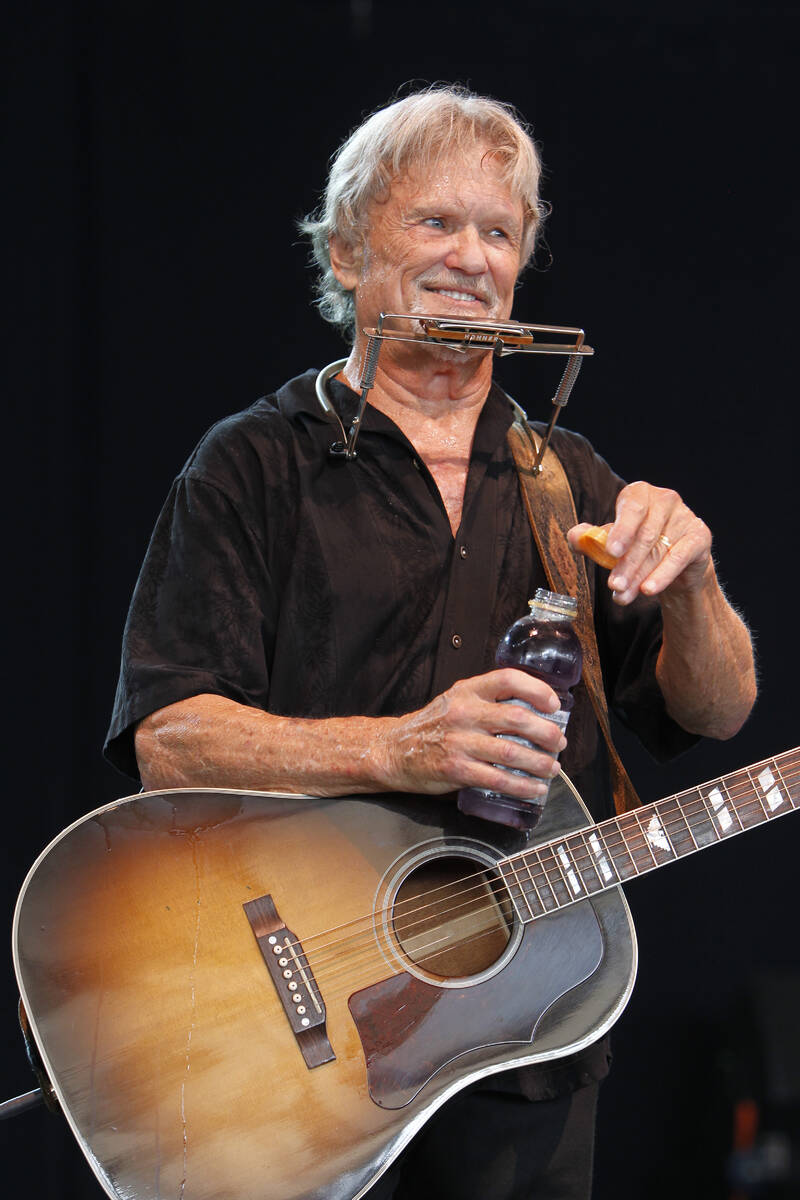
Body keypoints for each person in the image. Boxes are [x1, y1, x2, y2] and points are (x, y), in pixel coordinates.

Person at [105, 86, 756, 1199]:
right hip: (303, 1037)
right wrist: (401, 749)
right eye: (433, 223)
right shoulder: (250, 467)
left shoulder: (567, 479)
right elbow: (172, 739)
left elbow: (714, 711)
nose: (470, 257)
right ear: (349, 251)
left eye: (498, 232)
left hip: (523, 1037)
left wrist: (693, 581)